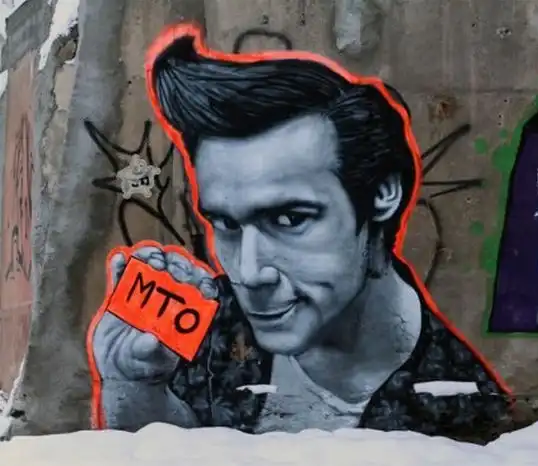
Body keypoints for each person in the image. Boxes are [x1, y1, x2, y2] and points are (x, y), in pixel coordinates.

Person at [88, 23, 510, 436]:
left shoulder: (457, 405)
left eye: (289, 220)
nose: (249, 273)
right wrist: (136, 384)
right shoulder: (207, 325)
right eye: (227, 223)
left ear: (382, 193)